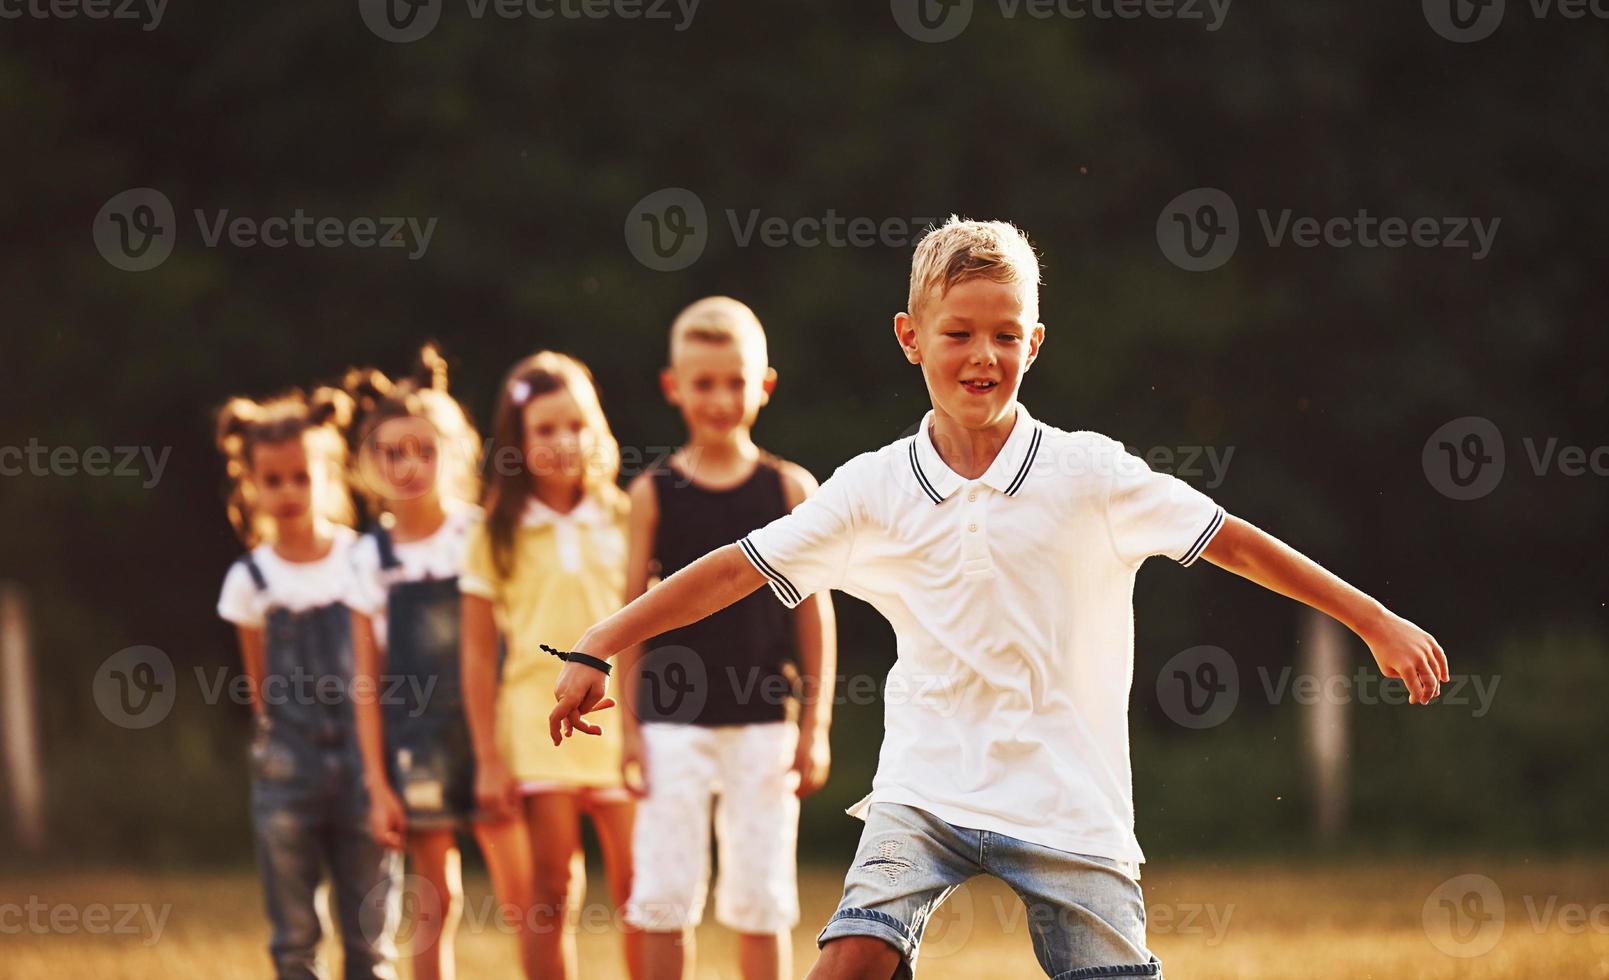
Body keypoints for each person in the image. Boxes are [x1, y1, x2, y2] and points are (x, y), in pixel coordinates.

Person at [546, 216, 1452, 979]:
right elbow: (736, 569)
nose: (982, 355)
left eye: (1005, 334)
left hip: (1067, 800)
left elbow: (1236, 544)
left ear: (1034, 343)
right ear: (910, 337)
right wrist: (600, 642)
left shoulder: (1088, 473)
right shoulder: (871, 489)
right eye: (957, 332)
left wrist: (1371, 619)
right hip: (925, 787)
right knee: (848, 961)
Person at [618, 297, 836, 980]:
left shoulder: (790, 490)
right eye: (702, 382)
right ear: (672, 387)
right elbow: (632, 611)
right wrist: (626, 726)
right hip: (668, 725)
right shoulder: (652, 491)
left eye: (733, 381)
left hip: (764, 725)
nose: (718, 398)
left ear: (763, 385)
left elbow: (813, 611)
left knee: (762, 897)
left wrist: (816, 725)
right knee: (661, 895)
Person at [342, 345, 531, 980]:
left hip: (490, 736)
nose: (409, 465)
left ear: (451, 452)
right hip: (413, 744)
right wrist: (375, 781)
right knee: (433, 900)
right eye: (392, 452)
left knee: (522, 894)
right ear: (369, 461)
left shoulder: (478, 534)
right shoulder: (366, 559)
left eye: (424, 450)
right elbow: (365, 681)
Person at [459, 351, 642, 979]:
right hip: (538, 729)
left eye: (575, 425)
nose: (563, 441)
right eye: (544, 429)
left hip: (622, 723)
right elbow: (478, 652)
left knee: (639, 886)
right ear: (517, 441)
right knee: (549, 889)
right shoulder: (497, 532)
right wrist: (487, 757)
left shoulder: (627, 517)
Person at [215, 386, 400, 980]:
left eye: (300, 476)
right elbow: (260, 685)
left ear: (327, 474)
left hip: (362, 764)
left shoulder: (361, 558)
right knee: (294, 936)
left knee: (370, 937)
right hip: (287, 772)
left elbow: (382, 662)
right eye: (272, 480)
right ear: (250, 485)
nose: (288, 491)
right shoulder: (251, 578)